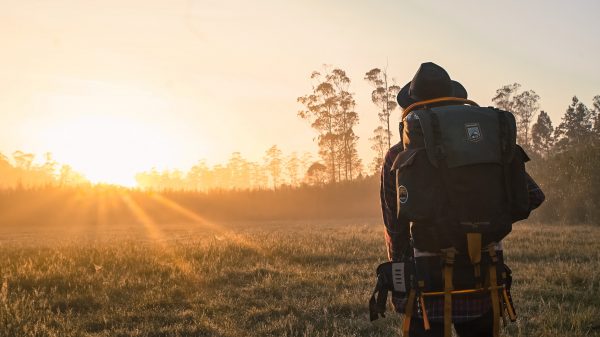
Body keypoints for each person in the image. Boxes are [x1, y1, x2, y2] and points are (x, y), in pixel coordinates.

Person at [380, 62, 545, 337]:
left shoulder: (397, 155)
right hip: (484, 279)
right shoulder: (488, 147)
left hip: (427, 285)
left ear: (414, 106)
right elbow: (533, 197)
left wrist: (400, 277)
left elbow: (394, 226)